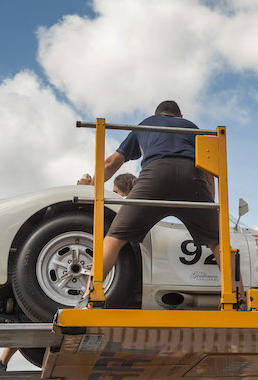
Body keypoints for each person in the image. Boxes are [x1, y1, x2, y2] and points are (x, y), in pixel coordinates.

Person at [77, 100, 234, 308]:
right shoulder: (192, 127)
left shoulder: (146, 124)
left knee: (114, 238)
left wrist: (91, 186)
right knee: (218, 242)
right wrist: (209, 208)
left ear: (158, 114)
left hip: (155, 175)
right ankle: (235, 297)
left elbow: (111, 163)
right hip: (192, 179)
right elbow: (209, 172)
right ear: (180, 116)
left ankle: (90, 296)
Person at [0, 173, 138, 372]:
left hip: (107, 271)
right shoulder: (131, 208)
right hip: (101, 274)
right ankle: (3, 361)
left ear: (118, 193)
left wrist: (86, 187)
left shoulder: (121, 206)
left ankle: (2, 361)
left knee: (28, 309)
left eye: (116, 193)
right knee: (30, 307)